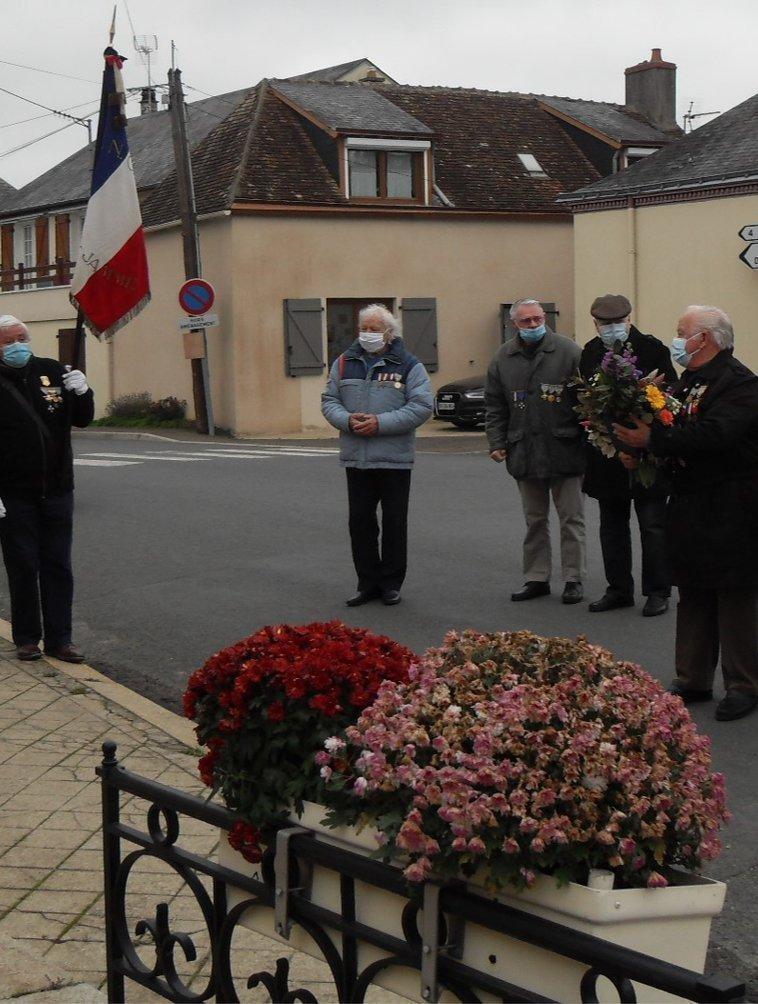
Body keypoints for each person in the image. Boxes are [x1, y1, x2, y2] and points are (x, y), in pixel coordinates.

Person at [614, 305, 758, 721]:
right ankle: (692, 677)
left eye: (683, 333)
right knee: (693, 590)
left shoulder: (739, 384)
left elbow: (714, 435)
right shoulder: (686, 381)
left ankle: (744, 684)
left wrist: (651, 440)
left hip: (733, 504)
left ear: (707, 339)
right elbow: (672, 429)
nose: (677, 339)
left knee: (733, 596)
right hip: (692, 502)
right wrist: (643, 454)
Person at [321, 304, 432, 607]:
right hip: (357, 457)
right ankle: (366, 582)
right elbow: (329, 400)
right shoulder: (344, 362)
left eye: (374, 329)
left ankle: (391, 583)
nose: (368, 334)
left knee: (395, 522)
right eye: (364, 328)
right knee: (360, 522)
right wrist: (346, 421)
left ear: (389, 332)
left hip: (394, 458)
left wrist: (380, 424)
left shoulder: (409, 365)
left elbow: (421, 406)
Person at [0, 315, 94, 663]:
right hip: (14, 494)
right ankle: (26, 638)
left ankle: (61, 640)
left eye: (21, 337)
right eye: (9, 341)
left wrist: (83, 391)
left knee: (58, 565)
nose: (17, 345)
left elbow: (82, 418)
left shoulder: (52, 371)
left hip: (57, 489)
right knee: (23, 565)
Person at [580, 293, 676, 617]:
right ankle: (618, 589)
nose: (612, 328)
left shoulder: (652, 349)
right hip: (608, 455)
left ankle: (658, 590)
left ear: (629, 319)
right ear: (595, 324)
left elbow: (667, 400)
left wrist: (641, 444)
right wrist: (613, 444)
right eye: (605, 324)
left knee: (652, 524)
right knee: (612, 525)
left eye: (617, 322)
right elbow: (587, 403)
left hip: (647, 452)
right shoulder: (591, 353)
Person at [485, 298, 585, 604]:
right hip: (524, 448)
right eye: (526, 321)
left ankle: (573, 577)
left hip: (564, 447)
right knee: (534, 519)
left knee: (571, 518)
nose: (533, 325)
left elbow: (586, 400)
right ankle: (536, 577)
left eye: (538, 319)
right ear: (514, 324)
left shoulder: (569, 351)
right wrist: (497, 442)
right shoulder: (503, 357)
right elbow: (495, 405)